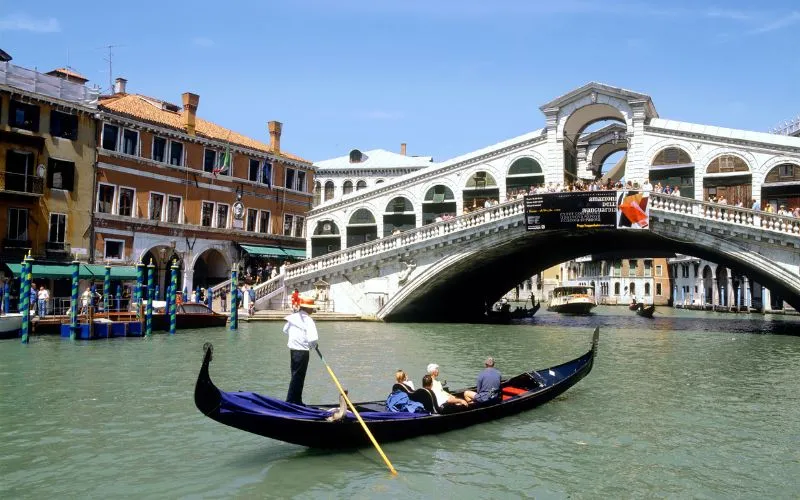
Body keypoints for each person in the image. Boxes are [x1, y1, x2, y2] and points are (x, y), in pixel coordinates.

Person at [283, 297, 319, 405]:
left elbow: (285, 330)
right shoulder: (308, 320)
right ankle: (292, 401)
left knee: (295, 375)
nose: (313, 310)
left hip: (293, 350)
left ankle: (295, 400)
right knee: (299, 376)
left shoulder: (293, 318)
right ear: (307, 309)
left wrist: (296, 335)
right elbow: (313, 338)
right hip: (302, 351)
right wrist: (314, 345)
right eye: (312, 308)